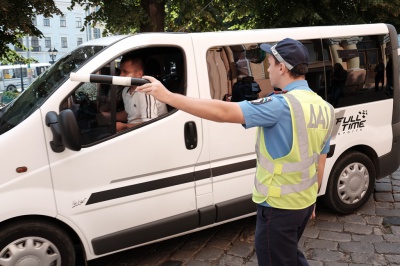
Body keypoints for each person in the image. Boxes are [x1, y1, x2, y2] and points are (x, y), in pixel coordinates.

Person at [137, 38, 334, 266]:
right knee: (289, 256)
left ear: (282, 67)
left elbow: (222, 112)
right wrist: (313, 200)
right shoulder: (325, 108)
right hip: (304, 203)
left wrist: (168, 96)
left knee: (275, 259)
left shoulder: (280, 105)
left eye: (269, 64)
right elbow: (320, 161)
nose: (268, 69)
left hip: (278, 207)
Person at [102, 54, 167, 132]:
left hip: (148, 134)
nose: (120, 75)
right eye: (120, 71)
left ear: (139, 74)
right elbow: (129, 113)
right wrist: (108, 115)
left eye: (125, 72)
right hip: (132, 131)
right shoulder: (125, 90)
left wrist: (124, 126)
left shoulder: (146, 91)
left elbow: (150, 125)